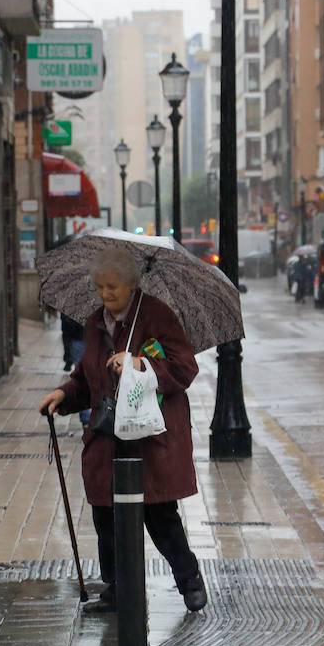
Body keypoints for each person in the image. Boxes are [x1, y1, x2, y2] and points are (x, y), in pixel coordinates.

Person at [39, 248, 207, 614]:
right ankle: (116, 588)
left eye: (113, 287)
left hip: (150, 436)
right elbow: (86, 379)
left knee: (159, 514)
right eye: (99, 287)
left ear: (132, 285)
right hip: (108, 436)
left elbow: (184, 368)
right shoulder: (95, 322)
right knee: (106, 515)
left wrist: (140, 364)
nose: (105, 294)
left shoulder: (157, 316)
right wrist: (62, 395)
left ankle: (189, 578)